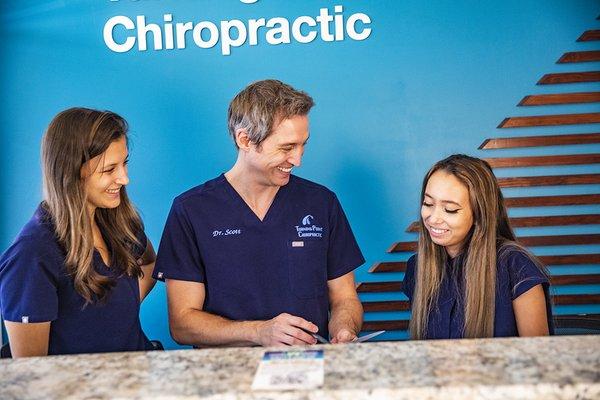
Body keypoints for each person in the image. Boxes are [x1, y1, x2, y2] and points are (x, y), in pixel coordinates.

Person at [153, 79, 364, 347]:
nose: (298, 160)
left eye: (303, 145)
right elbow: (182, 324)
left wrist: (344, 329)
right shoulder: (191, 210)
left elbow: (345, 298)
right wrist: (258, 332)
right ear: (245, 139)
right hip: (225, 374)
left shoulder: (322, 203)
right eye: (286, 148)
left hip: (307, 368)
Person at [0, 108, 157, 357]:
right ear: (72, 171)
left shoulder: (122, 223)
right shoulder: (32, 254)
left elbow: (150, 263)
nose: (124, 178)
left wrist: (117, 309)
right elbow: (31, 370)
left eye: (124, 163)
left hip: (135, 374)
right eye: (109, 170)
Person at [403, 154, 553, 339]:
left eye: (450, 209)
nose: (433, 218)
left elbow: (537, 358)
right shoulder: (417, 267)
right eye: (428, 204)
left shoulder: (516, 267)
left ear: (479, 214)